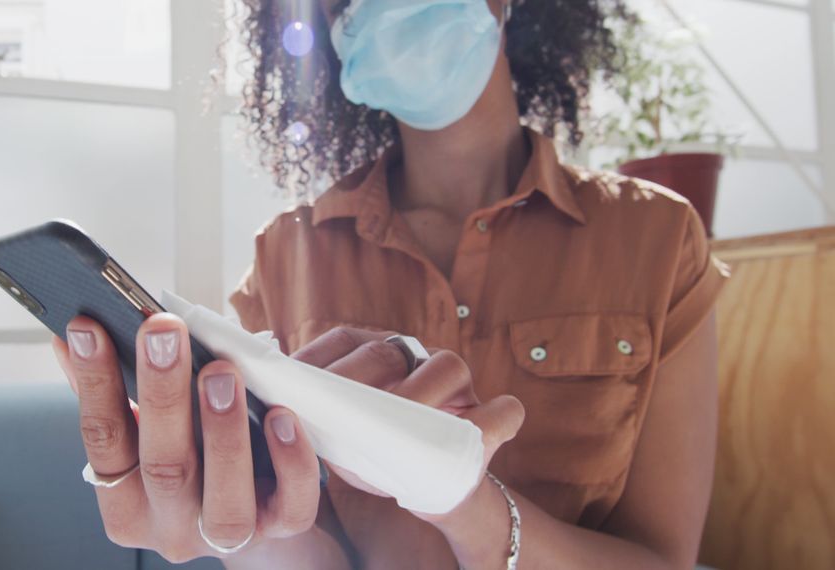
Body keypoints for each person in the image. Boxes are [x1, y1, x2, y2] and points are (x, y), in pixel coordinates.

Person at [52, 0, 730, 568]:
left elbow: (664, 557)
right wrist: (251, 530)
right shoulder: (286, 254)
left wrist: (471, 505)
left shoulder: (659, 240)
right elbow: (304, 547)